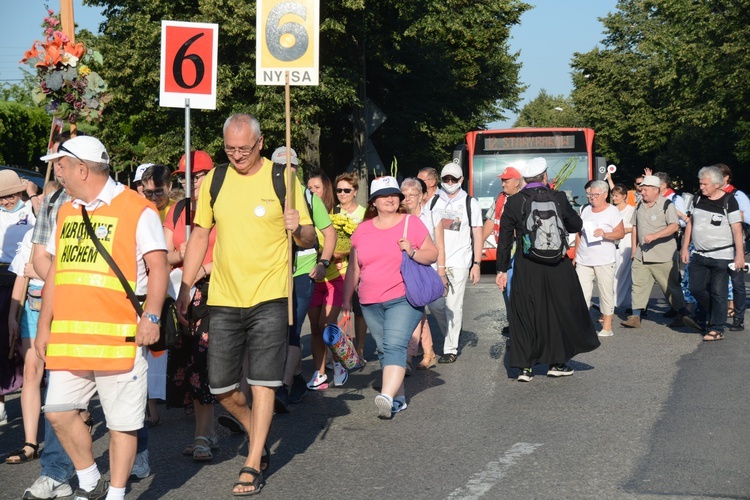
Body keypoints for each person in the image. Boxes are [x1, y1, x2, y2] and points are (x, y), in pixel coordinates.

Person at [176, 114, 315, 496]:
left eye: (245, 148)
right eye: (230, 148)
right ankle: (258, 431)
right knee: (221, 387)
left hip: (270, 294)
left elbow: (308, 237)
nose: (237, 155)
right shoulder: (215, 181)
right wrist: (186, 285)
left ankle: (253, 461)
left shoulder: (283, 179)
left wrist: (297, 228)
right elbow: (201, 233)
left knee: (264, 382)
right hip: (223, 296)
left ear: (260, 142)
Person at [34, 135, 169, 500]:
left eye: (60, 165)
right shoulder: (65, 209)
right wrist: (43, 326)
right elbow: (57, 274)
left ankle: (116, 494)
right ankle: (92, 481)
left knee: (123, 423)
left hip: (120, 337)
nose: (56, 172)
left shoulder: (138, 209)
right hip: (69, 338)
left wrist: (151, 318)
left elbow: (159, 268)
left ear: (81, 168)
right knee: (58, 412)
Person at [496, 157, 600, 382]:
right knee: (557, 311)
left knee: (524, 313)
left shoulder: (514, 202)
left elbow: (504, 239)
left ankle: (525, 368)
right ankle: (557, 363)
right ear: (545, 177)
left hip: (526, 264)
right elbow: (576, 225)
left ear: (524, 179)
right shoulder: (559, 197)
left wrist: (502, 269)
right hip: (557, 264)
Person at [343, 176, 437, 417]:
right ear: (374, 201)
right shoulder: (362, 231)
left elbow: (432, 254)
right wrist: (345, 303)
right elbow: (354, 269)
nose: (390, 199)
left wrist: (413, 251)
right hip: (370, 301)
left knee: (395, 344)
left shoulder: (411, 224)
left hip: (403, 297)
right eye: (384, 195)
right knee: (386, 349)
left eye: (394, 194)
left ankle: (385, 395)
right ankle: (399, 398)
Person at [22, 135, 78, 499]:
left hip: (107, 311)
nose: (55, 168)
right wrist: (65, 284)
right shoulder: (53, 201)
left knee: (119, 397)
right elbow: (41, 256)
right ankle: (56, 473)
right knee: (61, 397)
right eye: (54, 162)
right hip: (63, 307)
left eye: (61, 161)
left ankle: (138, 448)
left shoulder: (119, 200)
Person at [163, 150, 220, 461]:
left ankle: (201, 435)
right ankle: (207, 430)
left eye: (198, 176)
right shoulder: (178, 209)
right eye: (186, 177)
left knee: (203, 362)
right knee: (186, 362)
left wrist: (199, 269)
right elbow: (162, 253)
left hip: (215, 290)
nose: (192, 182)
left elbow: (229, 251)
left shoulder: (223, 207)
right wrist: (180, 255)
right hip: (181, 291)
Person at [271, 147, 336, 410]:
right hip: (273, 272)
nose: (288, 172)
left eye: (293, 167)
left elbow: (329, 234)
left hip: (302, 272)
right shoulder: (266, 196)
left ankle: (282, 388)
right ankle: (296, 377)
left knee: (292, 328)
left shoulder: (309, 198)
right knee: (275, 330)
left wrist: (323, 263)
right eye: (281, 167)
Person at [5, 183, 58, 465]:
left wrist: (37, 268)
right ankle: (29, 441)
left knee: (60, 371)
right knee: (31, 370)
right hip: (33, 308)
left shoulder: (66, 233)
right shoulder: (31, 235)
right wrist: (13, 315)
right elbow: (20, 279)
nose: (44, 204)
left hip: (60, 307)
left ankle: (68, 429)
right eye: (43, 200)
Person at [621, 175, 701, 331]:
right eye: (641, 188)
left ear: (655, 190)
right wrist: (633, 248)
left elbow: (674, 226)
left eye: (644, 189)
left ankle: (683, 314)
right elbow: (635, 226)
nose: (641, 191)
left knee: (670, 287)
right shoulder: (639, 205)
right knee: (638, 284)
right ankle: (635, 316)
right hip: (642, 253)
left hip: (663, 254)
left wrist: (656, 235)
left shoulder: (667, 205)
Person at [680, 166, 745, 341]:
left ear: (717, 184)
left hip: (722, 255)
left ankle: (716, 328)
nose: (701, 187)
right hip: (700, 254)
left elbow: (737, 230)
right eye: (700, 183)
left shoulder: (729, 201)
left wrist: (739, 255)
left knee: (718, 292)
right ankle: (715, 313)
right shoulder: (698, 198)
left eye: (705, 184)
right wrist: (685, 247)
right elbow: (691, 223)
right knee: (695, 288)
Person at [428, 162, 482, 363]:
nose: (450, 183)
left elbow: (477, 233)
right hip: (435, 262)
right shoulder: (433, 202)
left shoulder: (470, 203)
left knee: (453, 304)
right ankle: (452, 332)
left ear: (461, 180)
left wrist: (476, 263)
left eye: (454, 179)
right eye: (446, 179)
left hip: (459, 261)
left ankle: (450, 348)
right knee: (434, 304)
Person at [0, 169, 36, 430]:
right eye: (1, 198)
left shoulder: (31, 211)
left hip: (23, 277)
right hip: (0, 277)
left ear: (20, 192)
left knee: (24, 341)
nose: (5, 201)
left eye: (10, 196)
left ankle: (34, 390)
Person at [306, 169, 347, 390]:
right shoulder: (304, 215)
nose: (312, 192)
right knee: (314, 328)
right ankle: (319, 373)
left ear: (326, 190)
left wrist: (332, 255)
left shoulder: (336, 216)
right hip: (312, 281)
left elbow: (344, 245)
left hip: (333, 278)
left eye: (317, 188)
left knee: (326, 326)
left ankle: (341, 362)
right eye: (309, 188)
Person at [574, 180, 625, 336]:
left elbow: (620, 233)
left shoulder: (612, 211)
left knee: (605, 292)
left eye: (596, 195)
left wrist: (605, 234)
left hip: (604, 259)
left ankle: (607, 327)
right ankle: (582, 326)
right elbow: (579, 233)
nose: (592, 197)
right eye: (590, 194)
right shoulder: (585, 209)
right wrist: (575, 254)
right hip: (584, 259)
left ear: (605, 194)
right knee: (581, 293)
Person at [401, 178, 442, 371]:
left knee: (415, 310)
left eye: (412, 195)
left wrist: (442, 272)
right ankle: (428, 352)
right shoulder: (399, 217)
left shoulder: (432, 217)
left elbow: (440, 247)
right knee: (419, 313)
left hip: (425, 272)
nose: (408, 199)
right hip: (405, 271)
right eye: (405, 195)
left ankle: (409, 357)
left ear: (422, 197)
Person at [333, 172, 368, 360]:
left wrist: (346, 251)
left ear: (355, 191)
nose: (342, 194)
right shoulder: (333, 212)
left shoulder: (364, 213)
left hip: (359, 268)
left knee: (359, 310)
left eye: (347, 190)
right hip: (337, 268)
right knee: (337, 310)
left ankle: (360, 349)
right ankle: (341, 351)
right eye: (339, 190)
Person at [481, 166, 523, 321]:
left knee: (514, 288)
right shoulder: (500, 198)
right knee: (505, 288)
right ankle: (512, 321)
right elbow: (490, 222)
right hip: (504, 249)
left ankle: (519, 325)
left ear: (517, 182)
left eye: (506, 181)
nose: (503, 184)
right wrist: (477, 247)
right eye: (502, 181)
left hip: (518, 251)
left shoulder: (524, 199)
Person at [716, 163, 750, 331]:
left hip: (735, 243)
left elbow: (749, 216)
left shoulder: (737, 195)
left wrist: (730, 212)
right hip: (717, 244)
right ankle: (716, 316)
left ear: (726, 178)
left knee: (737, 283)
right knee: (717, 281)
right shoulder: (712, 195)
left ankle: (738, 318)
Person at [611, 183, 636, 311]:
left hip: (626, 242)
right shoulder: (611, 209)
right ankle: (613, 300)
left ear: (624, 196)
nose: (614, 198)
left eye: (616, 196)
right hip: (613, 242)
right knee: (612, 271)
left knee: (622, 271)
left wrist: (626, 229)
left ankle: (615, 301)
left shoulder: (631, 209)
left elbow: (636, 227)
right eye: (613, 195)